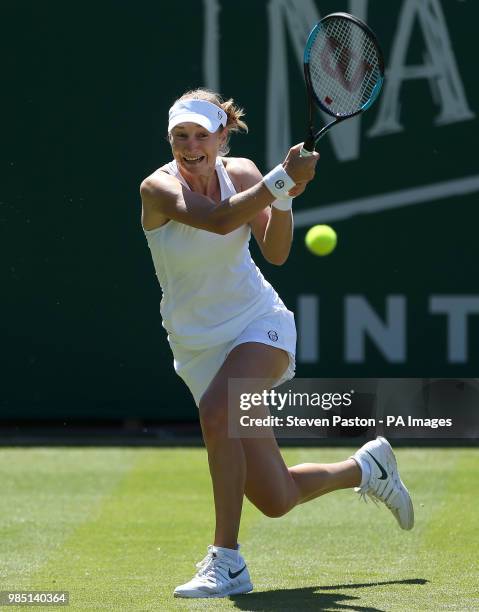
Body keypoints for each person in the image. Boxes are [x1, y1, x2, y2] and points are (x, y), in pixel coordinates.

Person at [140, 89, 414, 599]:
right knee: (276, 497)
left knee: (219, 412)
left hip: (258, 325)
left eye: (202, 135)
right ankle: (367, 466)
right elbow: (220, 220)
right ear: (170, 140)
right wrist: (282, 181)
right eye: (181, 136)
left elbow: (278, 252)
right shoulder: (158, 188)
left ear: (222, 137)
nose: (191, 145)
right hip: (197, 347)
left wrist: (283, 197)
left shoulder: (242, 174)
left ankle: (227, 561)